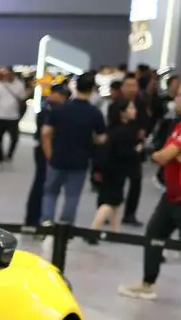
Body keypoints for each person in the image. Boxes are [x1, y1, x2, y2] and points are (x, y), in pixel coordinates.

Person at [120, 78, 181, 301]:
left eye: (180, 95)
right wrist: (175, 155)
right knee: (155, 234)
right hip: (173, 193)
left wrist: (165, 155)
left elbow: (164, 155)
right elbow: (171, 153)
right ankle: (147, 284)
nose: (176, 99)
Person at [39, 73, 107, 229]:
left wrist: (49, 154)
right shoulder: (94, 113)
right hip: (80, 161)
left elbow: (45, 133)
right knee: (72, 196)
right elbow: (101, 138)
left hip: (57, 158)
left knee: (50, 192)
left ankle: (47, 222)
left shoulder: (60, 109)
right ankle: (65, 227)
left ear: (76, 87)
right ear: (92, 89)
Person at [88, 98, 141, 235]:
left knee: (115, 202)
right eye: (130, 108)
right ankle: (93, 231)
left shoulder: (111, 129)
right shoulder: (125, 131)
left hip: (107, 169)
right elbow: (122, 152)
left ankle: (115, 232)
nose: (134, 111)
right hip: (117, 170)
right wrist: (136, 150)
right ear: (122, 112)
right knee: (109, 204)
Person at [25, 83, 69, 227]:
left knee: (42, 184)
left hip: (44, 150)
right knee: (43, 185)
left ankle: (33, 218)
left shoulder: (47, 108)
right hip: (47, 151)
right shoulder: (51, 110)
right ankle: (34, 219)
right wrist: (50, 155)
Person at [115, 75, 152, 226]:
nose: (131, 89)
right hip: (118, 150)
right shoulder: (116, 103)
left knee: (136, 182)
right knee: (116, 182)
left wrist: (143, 132)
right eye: (128, 85)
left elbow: (147, 121)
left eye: (134, 85)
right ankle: (109, 210)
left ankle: (130, 214)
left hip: (135, 148)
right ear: (122, 87)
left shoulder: (141, 104)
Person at [0, 68, 25, 163]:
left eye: (9, 74)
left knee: (15, 138)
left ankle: (9, 154)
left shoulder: (19, 85)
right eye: (6, 75)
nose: (7, 76)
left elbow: (22, 99)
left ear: (13, 74)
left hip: (13, 116)